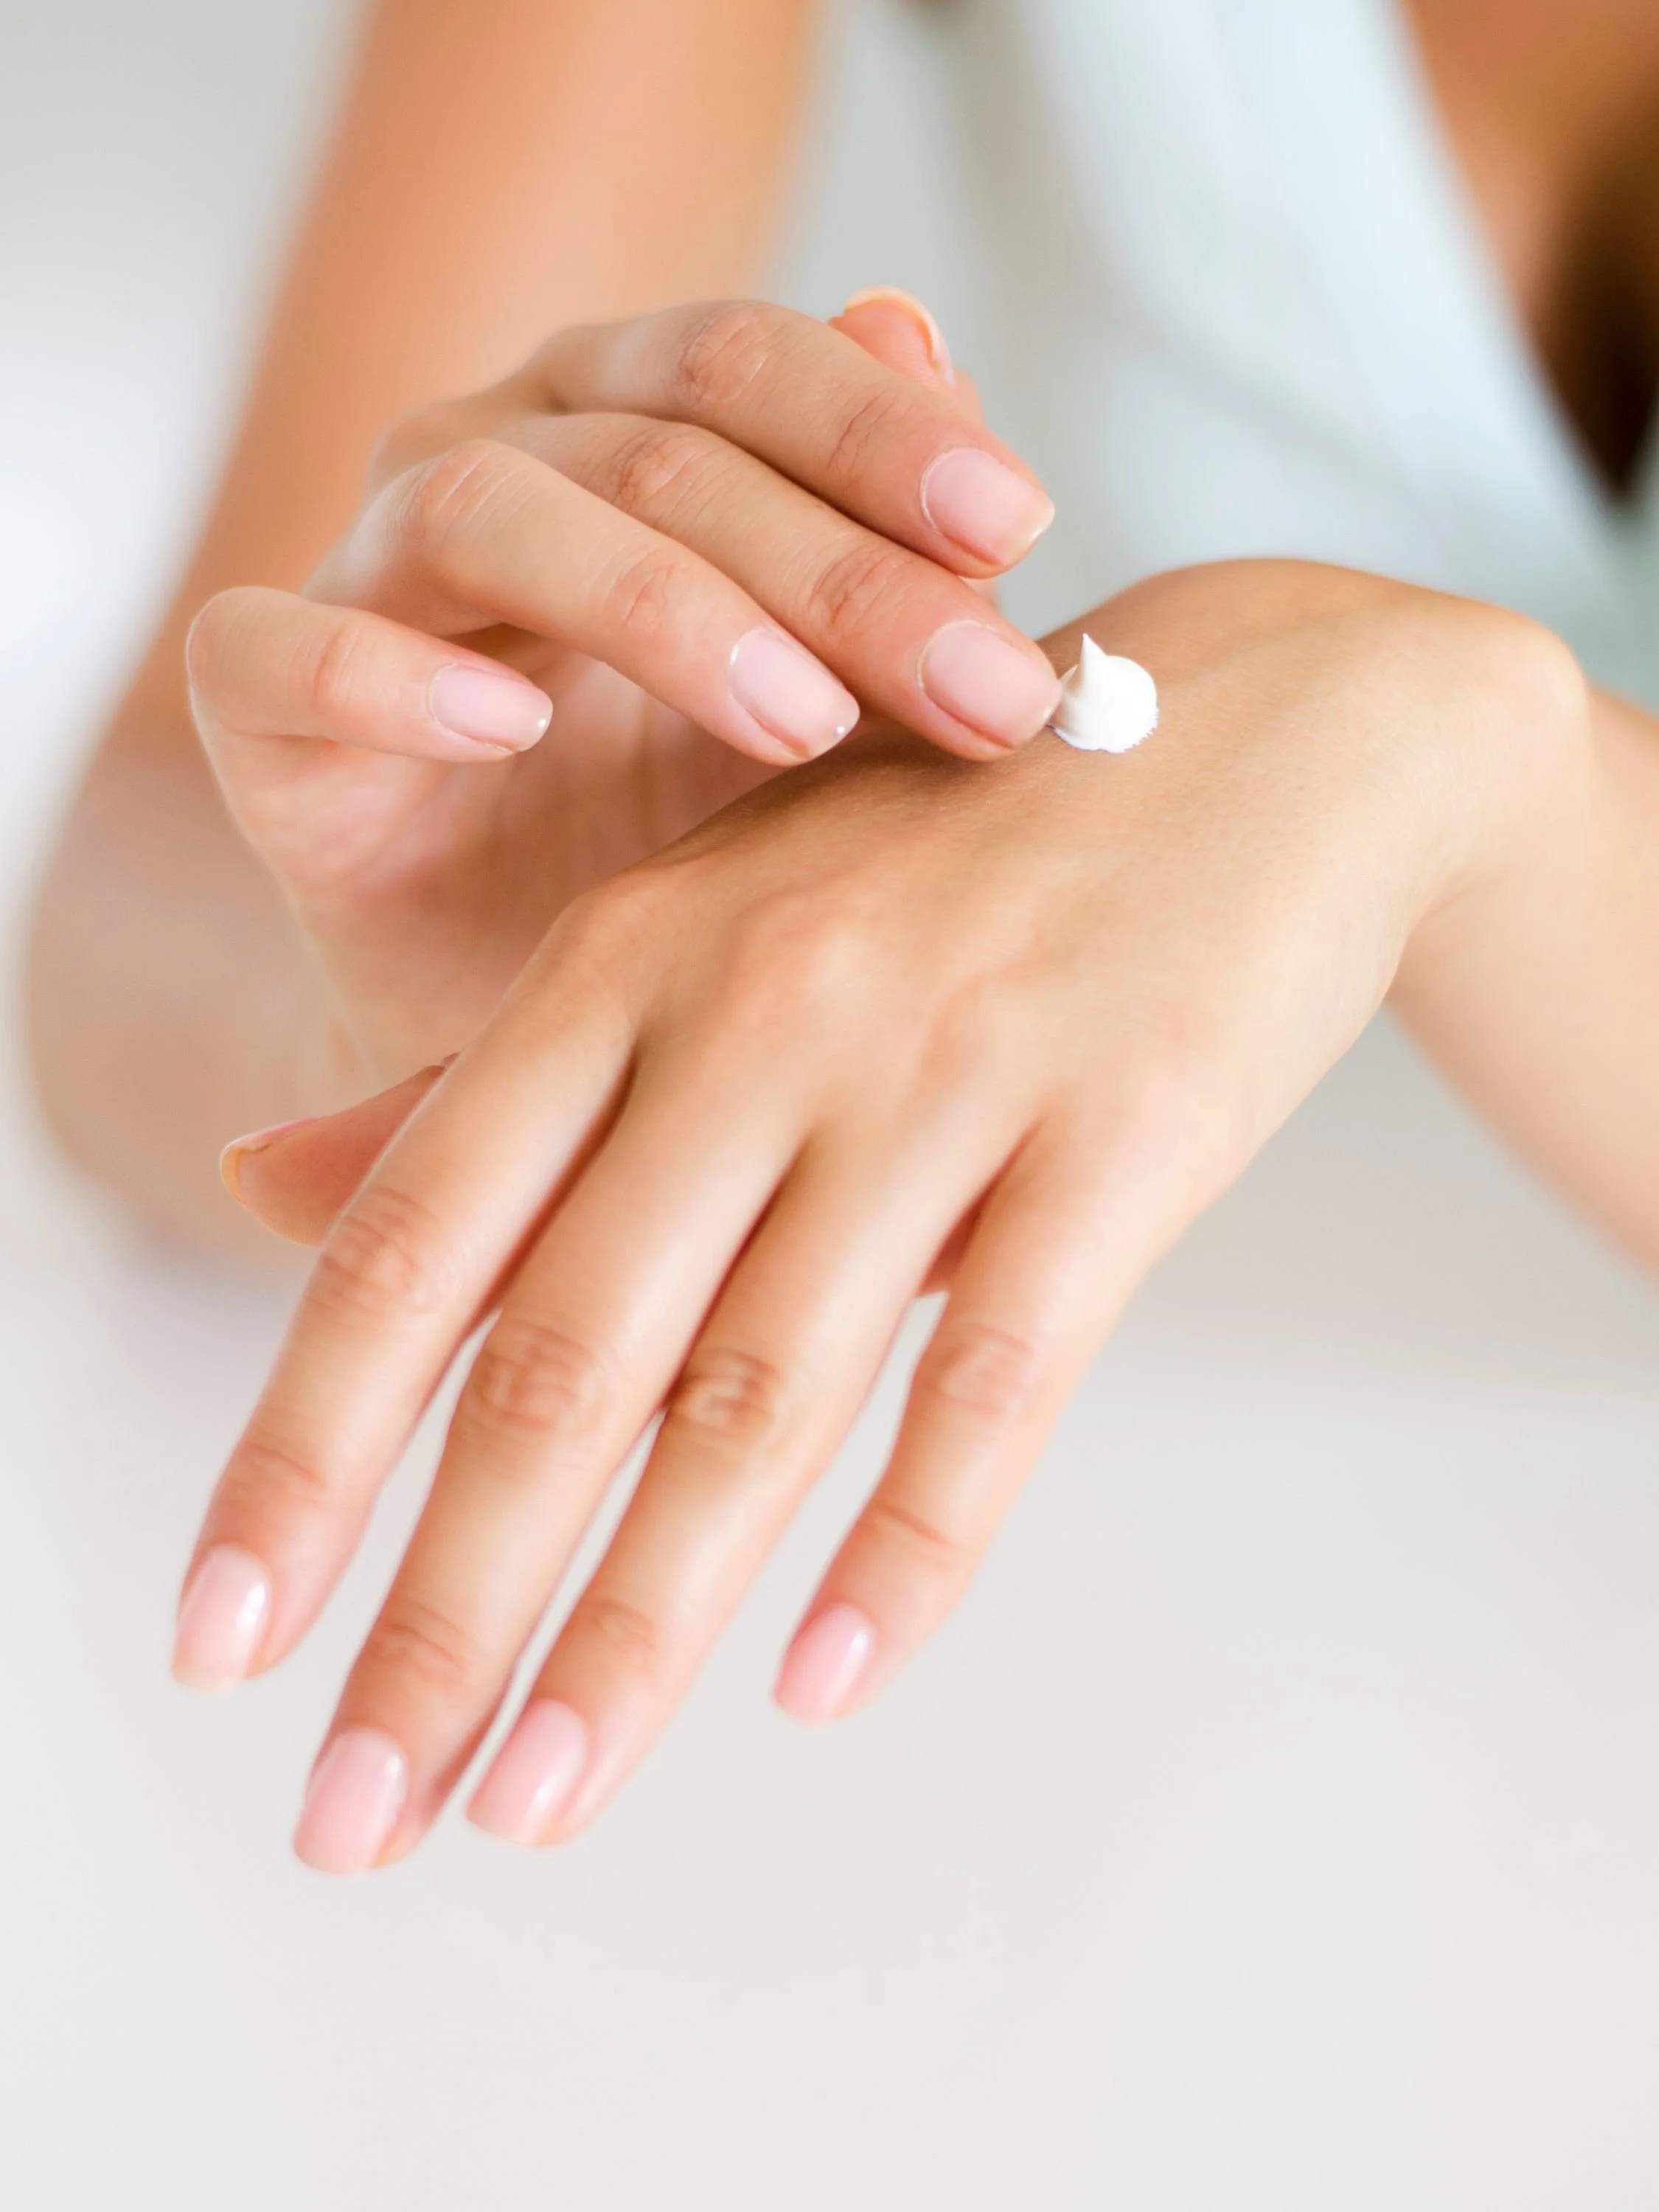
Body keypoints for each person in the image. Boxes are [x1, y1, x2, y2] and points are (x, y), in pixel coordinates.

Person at [26, 0, 1659, 1874]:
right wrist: (407, 1017)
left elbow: (1448, 753)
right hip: (1232, 1553)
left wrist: (1472, 750)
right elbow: (134, 871)